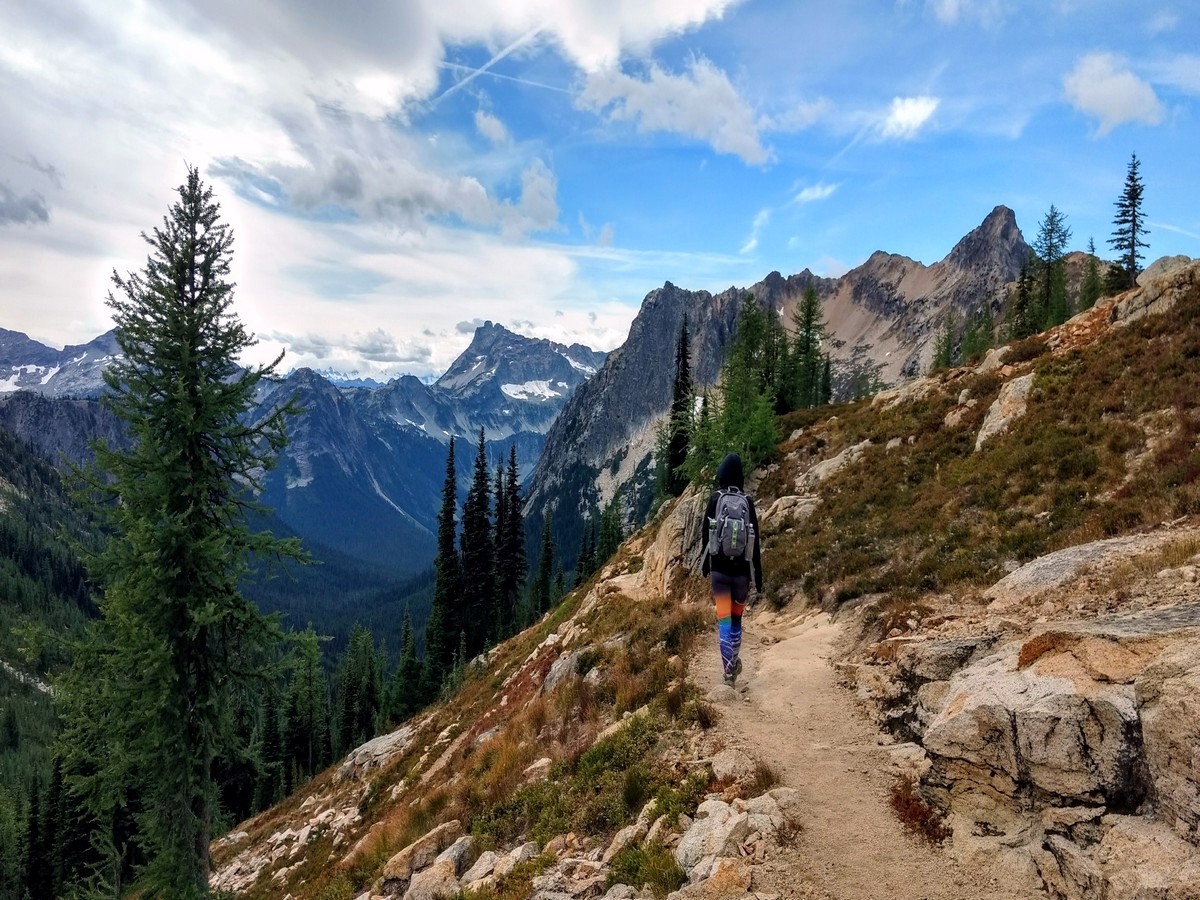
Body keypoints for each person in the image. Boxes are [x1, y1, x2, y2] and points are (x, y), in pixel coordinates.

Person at [699, 452, 763, 687]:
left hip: (719, 572)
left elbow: (705, 534)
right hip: (742, 576)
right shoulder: (747, 502)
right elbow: (755, 542)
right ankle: (732, 664)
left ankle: (728, 671)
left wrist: (706, 565)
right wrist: (758, 575)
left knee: (723, 621)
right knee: (736, 620)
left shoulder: (716, 499)